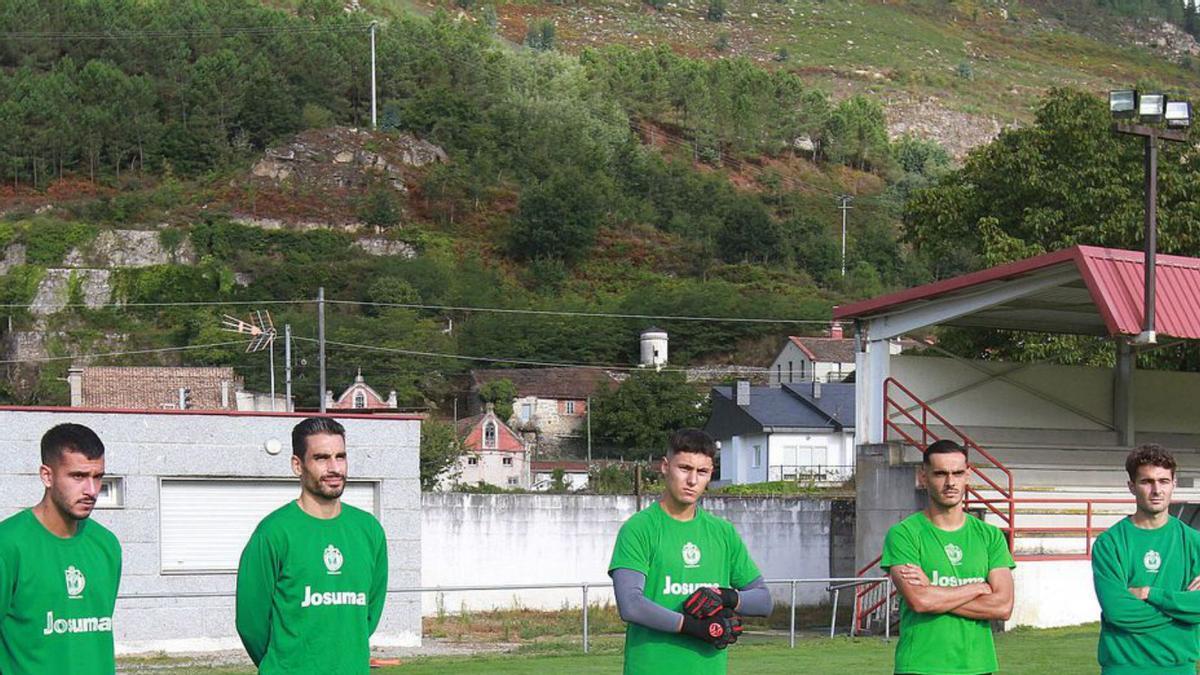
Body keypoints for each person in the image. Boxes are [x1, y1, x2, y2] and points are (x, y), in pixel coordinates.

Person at [608, 428, 772, 675]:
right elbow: (630, 605)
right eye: (684, 468)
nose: (692, 480)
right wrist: (693, 627)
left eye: (702, 472)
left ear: (710, 475)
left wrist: (726, 598)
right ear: (665, 466)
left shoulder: (723, 532)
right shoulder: (639, 529)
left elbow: (764, 600)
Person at [236, 417, 388, 674]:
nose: (334, 468)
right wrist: (285, 662)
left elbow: (369, 614)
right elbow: (251, 623)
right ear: (298, 465)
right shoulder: (274, 532)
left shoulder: (369, 530)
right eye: (321, 458)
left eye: (340, 457)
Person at [882, 438, 1015, 675]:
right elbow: (920, 602)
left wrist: (933, 592)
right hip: (920, 666)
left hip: (977, 666)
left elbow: (1003, 607)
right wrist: (976, 587)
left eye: (957, 473)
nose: (950, 482)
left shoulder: (990, 536)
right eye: (940, 473)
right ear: (923, 477)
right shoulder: (903, 535)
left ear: (968, 476)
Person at [0, 423, 122, 675]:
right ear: (47, 476)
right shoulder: (8, 544)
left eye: (97, 477)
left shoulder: (106, 545)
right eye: (78, 476)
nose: (91, 490)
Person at [1092, 444, 1200, 675]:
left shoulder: (1194, 542)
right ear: (1131, 486)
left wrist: (1151, 594)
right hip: (1123, 667)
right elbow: (1118, 611)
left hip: (1179, 668)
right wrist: (1181, 609)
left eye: (1163, 481)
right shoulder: (1110, 543)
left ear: (1174, 484)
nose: (1156, 490)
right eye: (1146, 481)